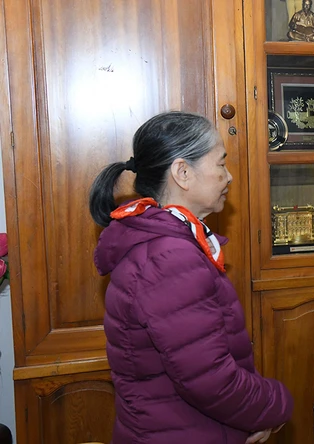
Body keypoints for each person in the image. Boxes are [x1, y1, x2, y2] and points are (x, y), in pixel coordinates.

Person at [89, 111, 293, 443]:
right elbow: (212, 381)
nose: (229, 177)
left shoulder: (163, 243)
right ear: (183, 172)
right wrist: (277, 405)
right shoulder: (168, 258)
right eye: (221, 163)